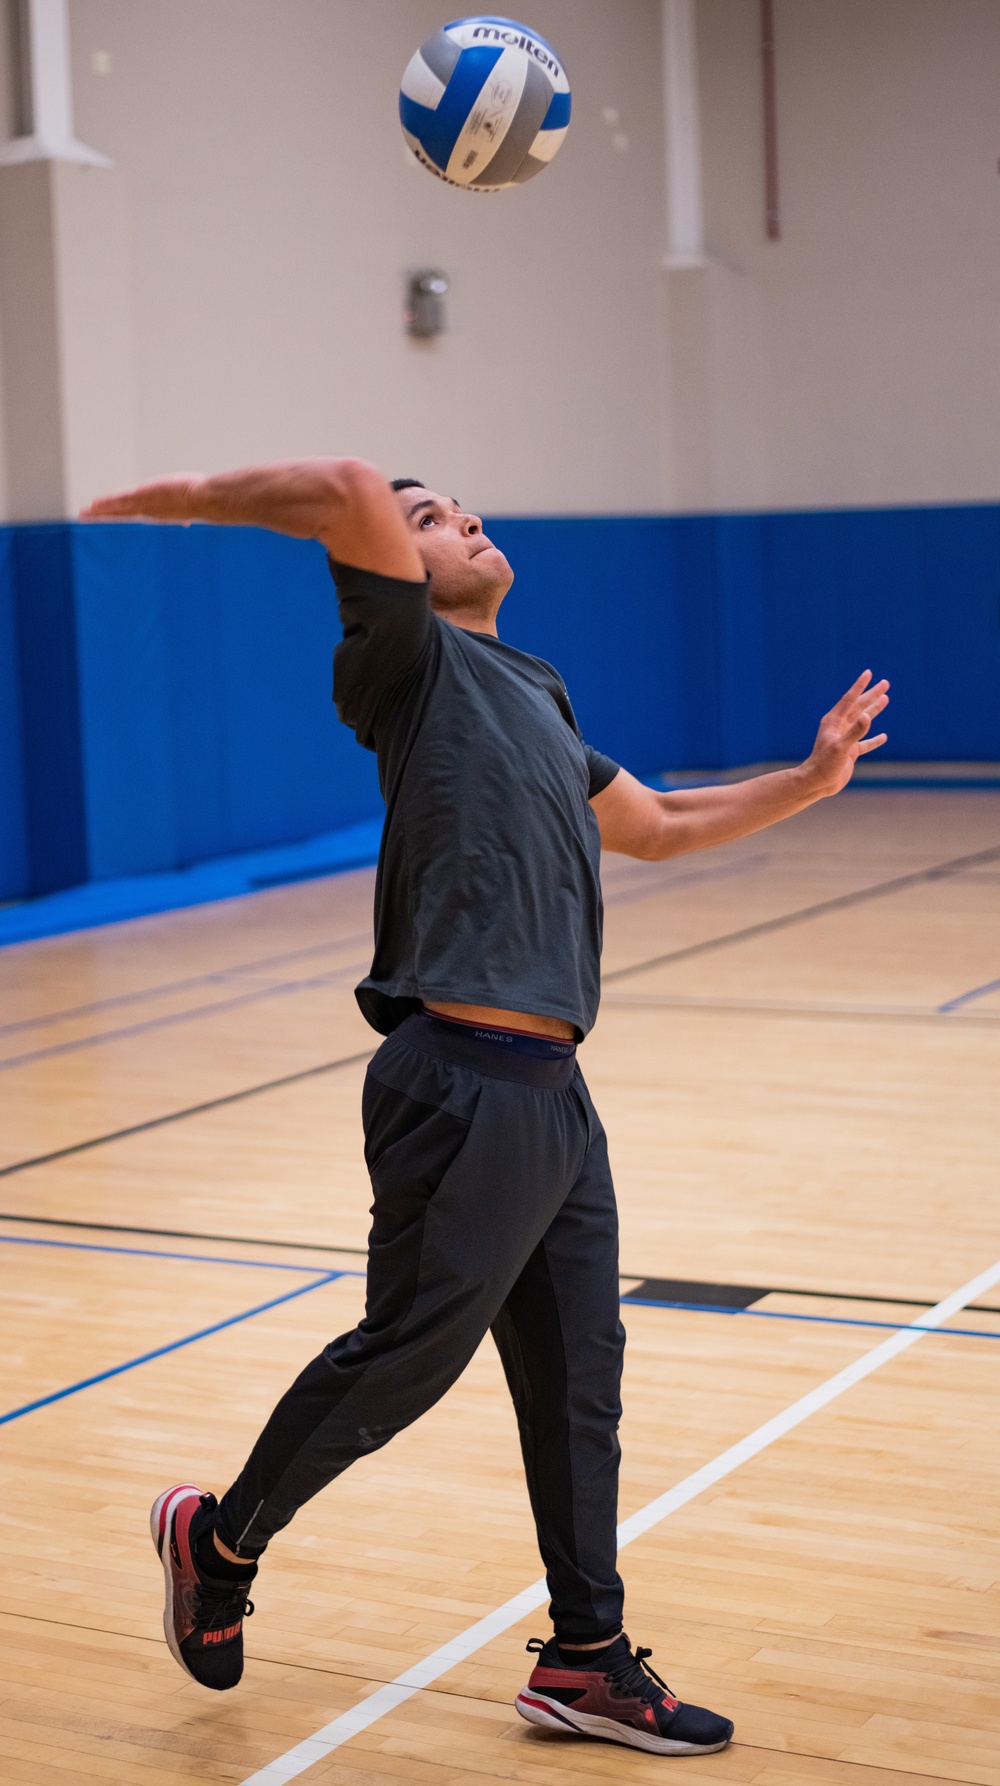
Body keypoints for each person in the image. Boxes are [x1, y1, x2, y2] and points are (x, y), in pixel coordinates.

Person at [83, 459, 888, 1757]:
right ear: (393, 568)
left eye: (461, 506)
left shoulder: (537, 688)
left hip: (555, 1090)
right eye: (426, 519)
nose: (458, 518)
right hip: (456, 1075)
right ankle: (219, 1539)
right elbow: (345, 484)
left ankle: (584, 1658)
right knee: (406, 1360)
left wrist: (809, 778)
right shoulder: (404, 662)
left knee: (582, 1379)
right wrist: (187, 498)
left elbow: (664, 825)